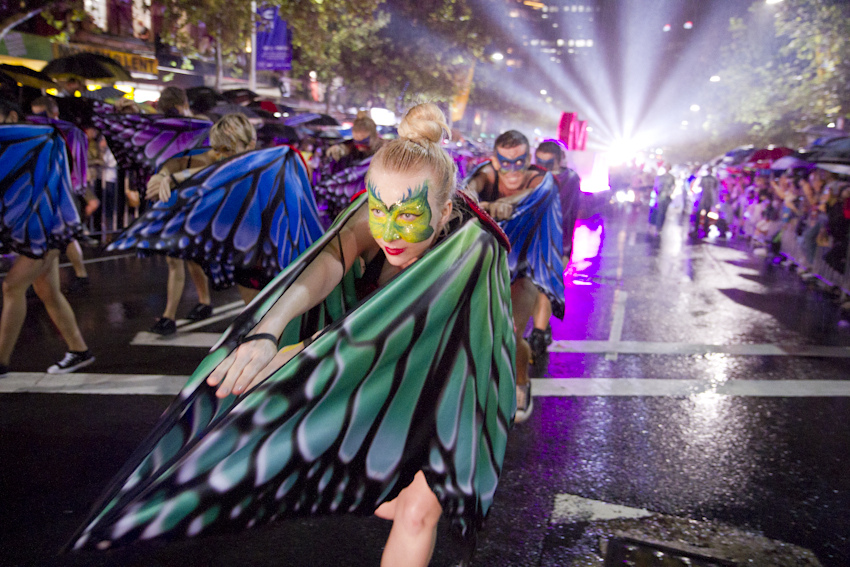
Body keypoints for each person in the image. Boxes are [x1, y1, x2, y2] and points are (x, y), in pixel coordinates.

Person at [71, 104, 515, 567]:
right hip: (371, 371)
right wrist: (266, 332)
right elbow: (332, 258)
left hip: (446, 382)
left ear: (444, 212)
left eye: (407, 215)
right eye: (377, 209)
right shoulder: (380, 214)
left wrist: (291, 355)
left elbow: (395, 328)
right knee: (388, 492)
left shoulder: (473, 253)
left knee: (419, 513)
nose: (388, 230)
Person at [464, 130, 565, 422]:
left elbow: (533, 196)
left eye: (519, 161)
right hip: (486, 266)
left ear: (528, 159)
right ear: (495, 161)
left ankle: (522, 381)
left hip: (525, 269)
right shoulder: (486, 174)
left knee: (510, 331)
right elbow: (468, 190)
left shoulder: (541, 180)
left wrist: (498, 207)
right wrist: (477, 201)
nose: (512, 170)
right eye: (505, 162)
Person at [0, 124, 94, 377]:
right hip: (46, 228)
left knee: (12, 286)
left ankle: (1, 362)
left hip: (48, 228)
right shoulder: (29, 144)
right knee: (48, 291)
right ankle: (79, 350)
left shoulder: (40, 139)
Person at [143, 87, 213, 334]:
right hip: (173, 195)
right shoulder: (170, 129)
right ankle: (171, 315)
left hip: (195, 195)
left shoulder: (203, 127)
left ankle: (200, 304)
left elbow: (210, 161)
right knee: (176, 256)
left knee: (189, 256)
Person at [29, 96, 97, 294]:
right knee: (51, 236)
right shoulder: (46, 131)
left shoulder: (70, 132)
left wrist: (78, 188)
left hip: (63, 190)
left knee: (64, 236)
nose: (38, 119)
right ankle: (41, 280)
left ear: (54, 113)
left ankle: (80, 275)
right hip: (45, 189)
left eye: (42, 115)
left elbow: (77, 163)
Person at [528, 139, 579, 361]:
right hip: (536, 243)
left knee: (543, 290)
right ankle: (541, 329)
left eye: (548, 163)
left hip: (558, 245)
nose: (543, 167)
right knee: (535, 290)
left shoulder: (569, 179)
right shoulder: (534, 176)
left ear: (558, 161)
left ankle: (539, 335)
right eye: (539, 162)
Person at [314, 110, 386, 221]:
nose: (360, 146)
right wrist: (338, 150)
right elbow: (345, 148)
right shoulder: (350, 147)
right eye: (357, 141)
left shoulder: (385, 150)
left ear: (375, 136)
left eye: (365, 141)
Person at [649, 167, 675, 236]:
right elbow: (656, 186)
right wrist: (657, 193)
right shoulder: (660, 177)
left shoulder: (671, 177)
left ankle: (660, 227)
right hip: (660, 196)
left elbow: (673, 186)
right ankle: (657, 227)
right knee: (659, 212)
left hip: (666, 197)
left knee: (663, 212)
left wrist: (669, 193)